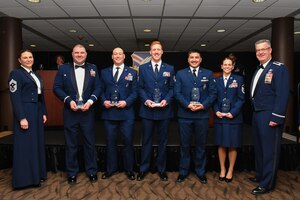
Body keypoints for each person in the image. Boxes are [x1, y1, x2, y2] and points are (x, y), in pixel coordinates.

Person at [53, 44, 101, 185]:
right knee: (71, 144)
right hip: (70, 112)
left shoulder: (93, 68)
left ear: (86, 54)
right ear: (72, 54)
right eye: (76, 52)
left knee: (89, 143)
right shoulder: (63, 69)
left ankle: (92, 171)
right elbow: (56, 88)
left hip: (88, 112)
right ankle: (72, 173)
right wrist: (67, 100)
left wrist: (91, 101)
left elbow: (98, 87)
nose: (79, 55)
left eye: (82, 52)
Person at [249, 39, 289, 195]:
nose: (260, 52)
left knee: (269, 150)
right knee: (259, 148)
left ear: (270, 50)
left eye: (263, 49)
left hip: (270, 115)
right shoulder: (259, 68)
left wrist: (277, 117)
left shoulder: (279, 69)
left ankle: (267, 183)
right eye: (257, 50)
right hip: (257, 113)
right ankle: (260, 175)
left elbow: (282, 95)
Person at [174, 49, 217, 184]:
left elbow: (213, 93)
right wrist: (187, 105)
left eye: (196, 57)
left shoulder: (208, 74)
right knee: (184, 145)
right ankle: (183, 171)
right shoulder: (180, 74)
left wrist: (203, 105)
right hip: (185, 115)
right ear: (188, 60)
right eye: (191, 57)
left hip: (202, 115)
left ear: (200, 59)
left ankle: (200, 171)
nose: (194, 59)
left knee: (201, 145)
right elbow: (177, 93)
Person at [8, 49, 47, 189]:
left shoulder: (36, 74)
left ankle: (37, 175)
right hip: (26, 112)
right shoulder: (16, 74)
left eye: (30, 57)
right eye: (25, 57)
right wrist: (21, 117)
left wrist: (43, 112)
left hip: (36, 111)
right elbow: (15, 97)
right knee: (25, 145)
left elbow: (41, 96)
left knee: (36, 143)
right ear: (19, 60)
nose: (28, 59)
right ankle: (24, 180)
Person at [137, 41, 175, 181]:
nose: (156, 52)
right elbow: (140, 87)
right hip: (147, 110)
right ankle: (143, 169)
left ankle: (161, 169)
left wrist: (166, 100)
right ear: (150, 52)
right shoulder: (143, 67)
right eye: (154, 49)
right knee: (146, 141)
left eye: (159, 49)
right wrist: (146, 100)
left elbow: (172, 88)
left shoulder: (170, 68)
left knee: (162, 142)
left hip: (164, 111)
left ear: (162, 51)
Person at [100, 47, 138, 180]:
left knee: (128, 142)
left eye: (120, 54)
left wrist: (126, 102)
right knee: (110, 143)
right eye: (115, 54)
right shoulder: (104, 72)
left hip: (126, 114)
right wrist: (104, 101)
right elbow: (100, 89)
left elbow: (135, 92)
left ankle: (129, 170)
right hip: (109, 113)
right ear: (112, 56)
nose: (117, 56)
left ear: (124, 56)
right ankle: (111, 169)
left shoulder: (132, 72)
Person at [213, 57, 245, 183]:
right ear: (221, 66)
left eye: (229, 65)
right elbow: (213, 98)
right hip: (220, 117)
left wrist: (233, 112)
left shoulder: (239, 79)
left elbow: (241, 99)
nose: (227, 66)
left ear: (232, 66)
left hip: (234, 118)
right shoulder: (216, 80)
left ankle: (230, 170)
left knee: (232, 145)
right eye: (224, 64)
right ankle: (222, 169)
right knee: (221, 144)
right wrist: (216, 111)